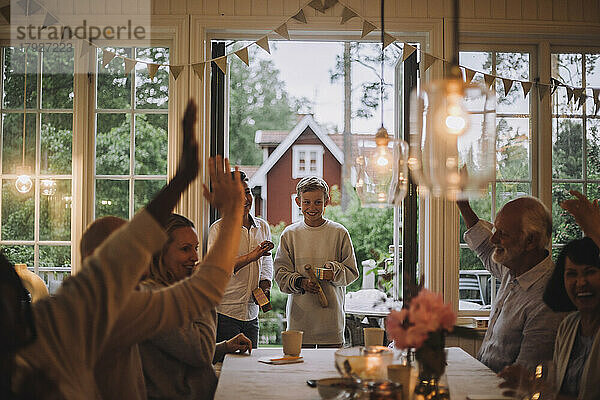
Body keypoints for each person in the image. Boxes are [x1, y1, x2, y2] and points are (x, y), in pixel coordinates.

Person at [2, 100, 245, 399]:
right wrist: (232, 212)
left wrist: (182, 178)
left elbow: (139, 239)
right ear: (97, 262)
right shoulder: (110, 308)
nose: (144, 261)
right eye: (133, 256)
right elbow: (202, 293)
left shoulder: (68, 307)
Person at [138, 213, 252, 400]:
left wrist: (223, 347)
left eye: (196, 248)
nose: (195, 256)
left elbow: (180, 349)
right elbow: (199, 352)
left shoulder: (170, 290)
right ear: (160, 252)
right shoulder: (153, 299)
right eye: (185, 249)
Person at [499, 191, 600, 400]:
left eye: (590, 272)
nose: (581, 282)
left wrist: (595, 231)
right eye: (571, 274)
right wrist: (534, 386)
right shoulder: (570, 326)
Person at [457, 197, 565, 372]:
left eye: (503, 233)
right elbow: (484, 246)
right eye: (495, 230)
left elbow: (523, 378)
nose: (494, 239)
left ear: (530, 241)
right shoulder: (513, 268)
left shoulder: (548, 300)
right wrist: (463, 204)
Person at [274, 176, 358, 347]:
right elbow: (280, 276)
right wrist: (300, 282)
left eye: (318, 202)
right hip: (299, 327)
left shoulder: (339, 233)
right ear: (298, 201)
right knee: (298, 373)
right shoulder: (289, 235)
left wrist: (333, 272)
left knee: (330, 373)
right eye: (307, 202)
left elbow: (351, 273)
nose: (312, 208)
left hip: (332, 326)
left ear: (326, 202)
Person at [208, 171, 274, 349]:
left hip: (252, 314)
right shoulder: (218, 229)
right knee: (227, 368)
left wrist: (265, 284)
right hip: (226, 314)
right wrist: (253, 256)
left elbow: (267, 262)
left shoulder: (262, 226)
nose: (245, 199)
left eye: (247, 192)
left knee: (250, 369)